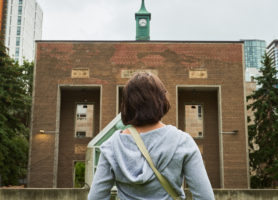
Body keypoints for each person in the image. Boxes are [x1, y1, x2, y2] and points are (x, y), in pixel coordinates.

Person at [88, 72, 214, 200]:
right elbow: (206, 197)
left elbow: (95, 197)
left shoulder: (112, 145)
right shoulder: (182, 141)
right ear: (162, 100)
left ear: (127, 104)